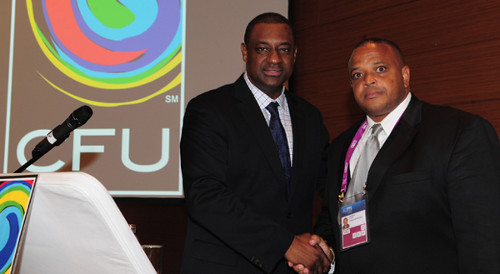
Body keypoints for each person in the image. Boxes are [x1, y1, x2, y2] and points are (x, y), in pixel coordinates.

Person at [310, 38, 500, 273]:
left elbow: (483, 241)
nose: (368, 80)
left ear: (405, 76)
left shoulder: (459, 132)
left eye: (380, 69)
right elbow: (333, 217)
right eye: (357, 75)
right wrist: (325, 252)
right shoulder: (340, 147)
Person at [180, 12, 332, 273]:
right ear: (245, 52)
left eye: (284, 49)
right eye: (263, 49)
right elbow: (205, 196)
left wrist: (319, 243)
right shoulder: (209, 109)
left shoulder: (310, 117)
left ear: (295, 54)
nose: (274, 58)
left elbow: (329, 189)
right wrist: (284, 243)